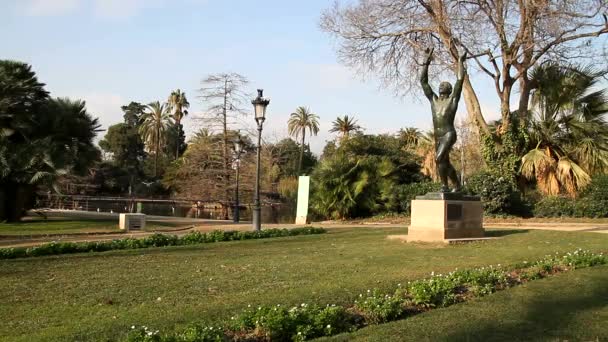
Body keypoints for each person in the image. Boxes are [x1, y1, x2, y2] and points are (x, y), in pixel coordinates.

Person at [420, 47, 467, 192]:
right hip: (437, 136)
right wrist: (425, 63)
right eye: (441, 84)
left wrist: (460, 60)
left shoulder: (453, 100)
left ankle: (444, 186)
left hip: (448, 134)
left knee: (438, 158)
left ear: (449, 89)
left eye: (445, 85)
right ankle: (457, 185)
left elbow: (460, 79)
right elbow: (423, 82)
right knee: (444, 162)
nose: (442, 85)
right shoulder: (433, 100)